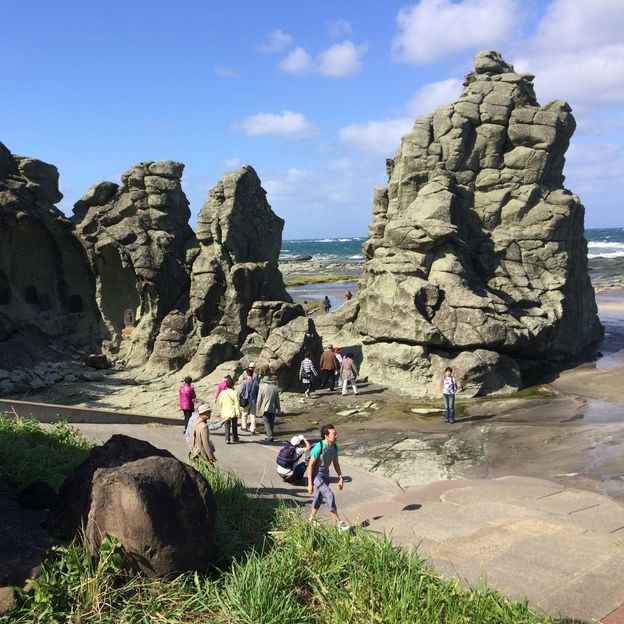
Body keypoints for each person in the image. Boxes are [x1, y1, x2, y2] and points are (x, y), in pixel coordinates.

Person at [307, 424, 348, 529]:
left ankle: (311, 519)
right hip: (316, 475)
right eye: (334, 434)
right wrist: (310, 484)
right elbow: (310, 466)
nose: (336, 436)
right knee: (330, 495)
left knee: (319, 497)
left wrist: (341, 478)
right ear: (326, 436)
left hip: (326, 474)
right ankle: (339, 523)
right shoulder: (319, 447)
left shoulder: (334, 447)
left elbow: (336, 463)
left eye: (336, 434)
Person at [256, 374, 282, 442]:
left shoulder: (262, 389)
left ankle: (270, 436)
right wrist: (279, 409)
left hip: (265, 408)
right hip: (273, 408)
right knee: (271, 422)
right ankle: (270, 435)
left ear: (264, 382)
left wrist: (257, 409)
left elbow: (259, 400)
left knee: (266, 422)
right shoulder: (274, 388)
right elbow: (277, 399)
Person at [219, 376, 240, 443]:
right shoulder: (234, 393)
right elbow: (237, 404)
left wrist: (222, 409)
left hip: (225, 411)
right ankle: (235, 438)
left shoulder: (222, 392)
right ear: (233, 385)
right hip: (233, 411)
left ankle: (227, 439)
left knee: (227, 425)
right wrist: (238, 413)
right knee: (234, 425)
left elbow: (220, 402)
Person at [238, 369, 256, 434]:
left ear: (247, 374)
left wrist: (239, 397)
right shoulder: (256, 382)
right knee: (253, 415)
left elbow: (240, 391)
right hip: (253, 400)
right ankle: (252, 429)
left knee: (244, 414)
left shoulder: (244, 382)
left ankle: (244, 426)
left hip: (246, 400)